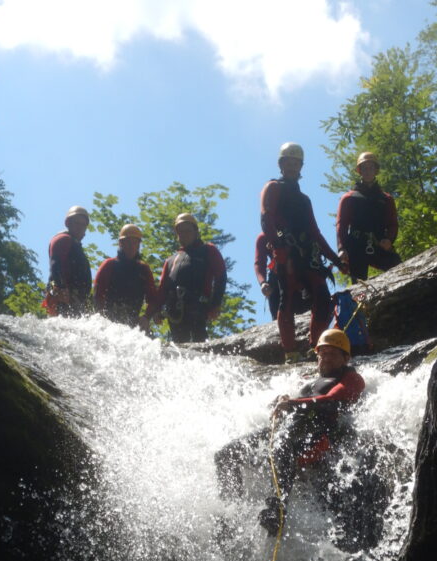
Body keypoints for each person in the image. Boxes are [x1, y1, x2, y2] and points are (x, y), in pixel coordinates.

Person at [215, 328, 365, 536]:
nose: (326, 358)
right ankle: (230, 512)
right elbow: (299, 404)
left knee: (281, 445)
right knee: (226, 453)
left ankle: (278, 508)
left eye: (333, 354)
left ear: (345, 358)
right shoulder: (311, 382)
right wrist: (282, 401)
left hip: (318, 435)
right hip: (291, 431)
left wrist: (293, 404)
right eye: (323, 353)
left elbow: (333, 401)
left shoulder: (351, 377)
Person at [260, 142, 343, 362]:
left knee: (324, 299)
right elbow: (266, 218)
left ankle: (314, 346)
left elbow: (314, 231)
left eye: (296, 162)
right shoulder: (273, 187)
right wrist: (278, 248)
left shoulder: (304, 199)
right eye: (288, 161)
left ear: (301, 166)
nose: (292, 166)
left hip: (308, 254)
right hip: (286, 253)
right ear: (281, 164)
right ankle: (290, 352)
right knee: (285, 299)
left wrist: (336, 259)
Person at [155, 213, 227, 343]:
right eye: (181, 231)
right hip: (174, 310)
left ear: (195, 232)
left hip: (197, 307)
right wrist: (157, 310)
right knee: (179, 348)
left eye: (188, 230)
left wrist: (216, 304)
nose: (184, 234)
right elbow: (162, 289)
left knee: (199, 343)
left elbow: (221, 276)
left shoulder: (208, 250)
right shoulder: (171, 260)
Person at [336, 152, 401, 283]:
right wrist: (342, 248)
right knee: (359, 286)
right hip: (356, 246)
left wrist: (389, 240)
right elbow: (341, 225)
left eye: (371, 167)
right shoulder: (349, 198)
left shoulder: (386, 199)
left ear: (376, 170)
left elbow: (393, 224)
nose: (368, 171)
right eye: (364, 168)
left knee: (398, 267)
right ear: (359, 171)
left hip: (378, 244)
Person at [93, 223, 157, 329]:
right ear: (121, 243)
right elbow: (98, 295)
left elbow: (153, 299)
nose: (131, 246)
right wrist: (101, 318)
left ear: (138, 245)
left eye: (135, 243)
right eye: (128, 242)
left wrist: (146, 317)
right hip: (109, 321)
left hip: (133, 322)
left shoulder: (143, 269)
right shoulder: (109, 265)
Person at [45, 205, 92, 317]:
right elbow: (56, 265)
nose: (80, 228)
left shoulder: (74, 244)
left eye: (83, 225)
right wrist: (60, 288)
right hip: (63, 295)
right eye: (77, 223)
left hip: (75, 298)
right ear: (68, 223)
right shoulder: (63, 239)